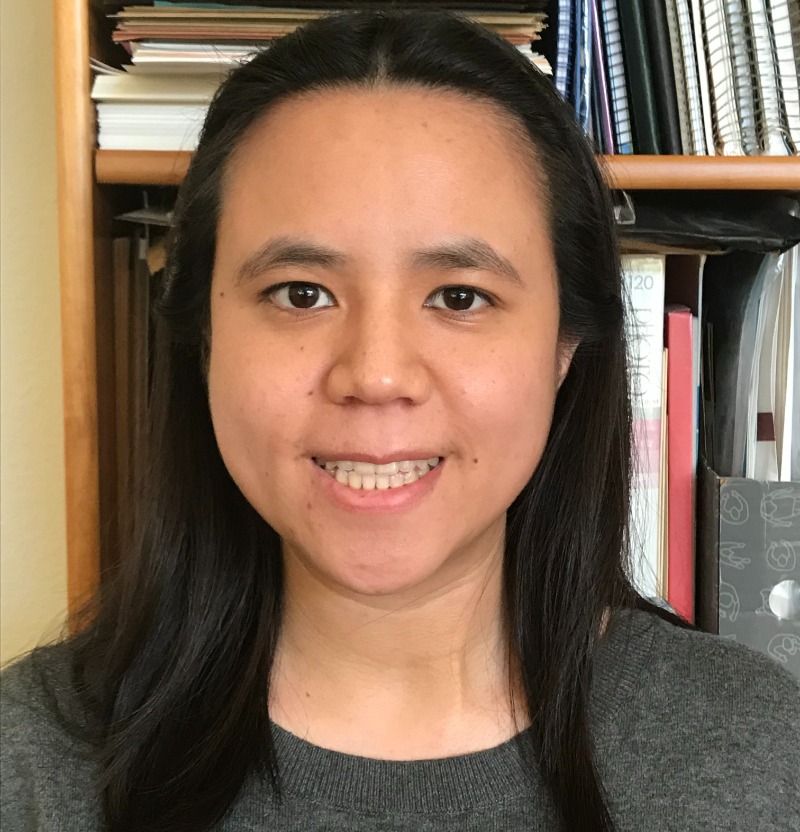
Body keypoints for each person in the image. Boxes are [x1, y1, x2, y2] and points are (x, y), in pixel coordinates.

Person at [1, 7, 798, 832]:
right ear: (204, 336)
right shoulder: (31, 764)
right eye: (300, 293)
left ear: (566, 345)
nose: (376, 375)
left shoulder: (755, 751)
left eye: (460, 297)